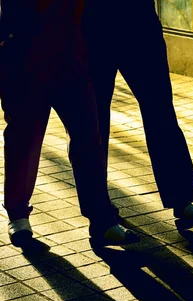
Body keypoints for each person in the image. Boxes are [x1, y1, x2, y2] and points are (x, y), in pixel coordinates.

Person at [0, 0, 139, 248]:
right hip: (22, 53)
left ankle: (101, 221)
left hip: (70, 54)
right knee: (23, 136)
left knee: (87, 136)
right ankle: (18, 215)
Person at [82, 0, 193, 229]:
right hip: (92, 22)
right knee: (93, 120)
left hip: (138, 21)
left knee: (160, 111)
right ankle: (98, 209)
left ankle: (181, 199)